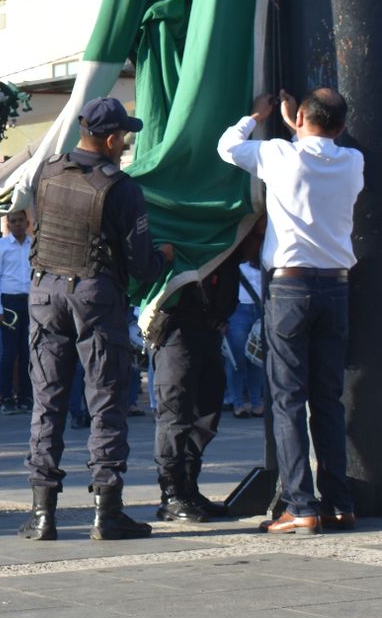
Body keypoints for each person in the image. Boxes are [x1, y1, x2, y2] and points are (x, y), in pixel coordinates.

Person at [20, 98, 173, 542]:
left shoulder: (47, 171)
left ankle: (42, 514)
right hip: (95, 296)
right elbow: (141, 265)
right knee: (106, 401)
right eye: (124, 137)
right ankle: (107, 512)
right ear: (109, 139)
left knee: (46, 402)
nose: (125, 145)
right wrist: (164, 256)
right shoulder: (121, 187)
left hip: (46, 292)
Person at [219, 89, 364, 535]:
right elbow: (322, 144)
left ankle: (301, 503)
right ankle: (339, 501)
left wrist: (258, 116)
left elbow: (227, 147)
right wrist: (300, 127)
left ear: (299, 117)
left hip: (291, 285)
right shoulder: (353, 162)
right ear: (341, 126)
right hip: (336, 286)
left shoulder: (280, 153)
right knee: (328, 399)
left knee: (286, 399)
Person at [148, 242, 248, 523]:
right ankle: (172, 494)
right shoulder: (183, 228)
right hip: (176, 328)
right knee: (175, 414)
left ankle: (189, 488)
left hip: (210, 327)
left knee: (206, 416)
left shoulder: (220, 238)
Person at [0, 209, 34, 414]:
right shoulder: (0, 247)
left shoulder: (32, 245)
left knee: (27, 351)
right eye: (13, 221)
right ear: (8, 225)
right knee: (8, 352)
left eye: (21, 220)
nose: (18, 224)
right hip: (9, 302)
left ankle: (25, 396)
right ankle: (5, 397)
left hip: (29, 300)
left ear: (27, 222)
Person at [223, 253, 266, 419]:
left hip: (259, 308)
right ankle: (238, 403)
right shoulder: (235, 260)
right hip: (238, 310)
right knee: (237, 359)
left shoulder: (262, 258)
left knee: (256, 359)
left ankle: (256, 403)